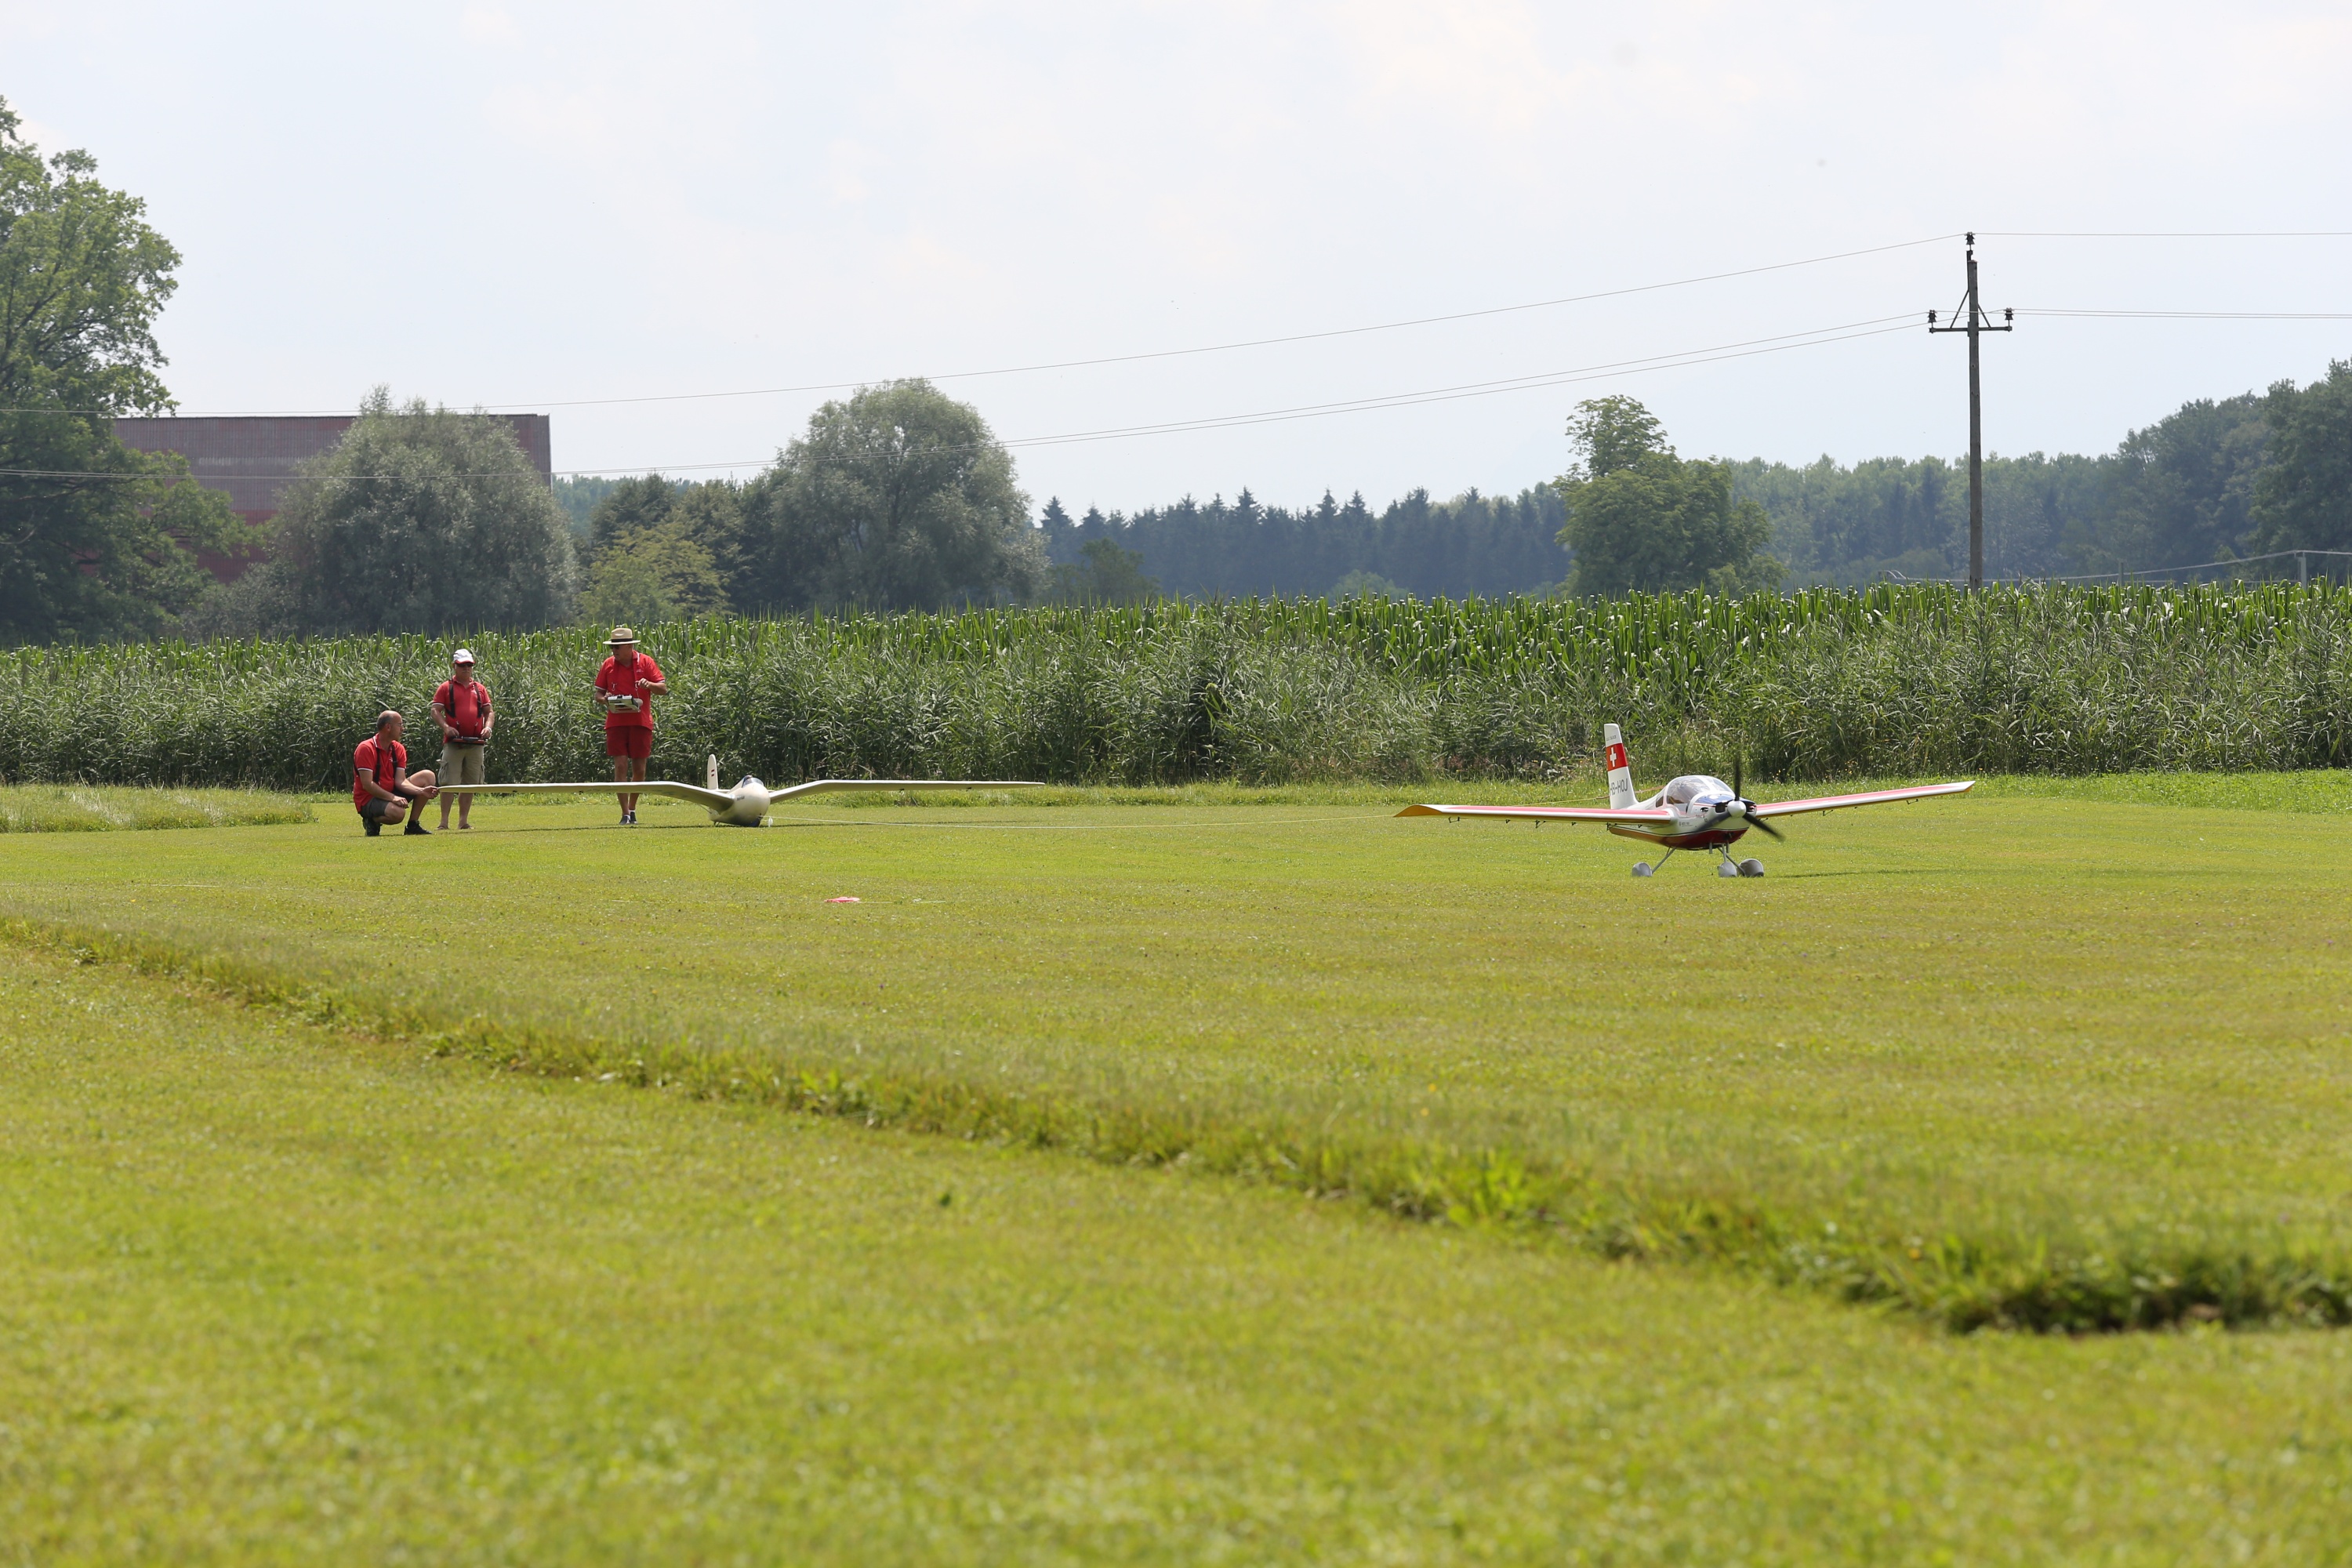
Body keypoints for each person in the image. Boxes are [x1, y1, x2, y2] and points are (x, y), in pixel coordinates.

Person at [592, 626, 666, 825]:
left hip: (640, 722)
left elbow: (663, 688)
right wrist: (604, 699)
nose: (614, 650)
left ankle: (632, 809)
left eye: (617, 647)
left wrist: (649, 685)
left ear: (629, 646)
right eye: (612, 647)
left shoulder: (646, 661)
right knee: (620, 765)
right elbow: (598, 693)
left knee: (640, 769)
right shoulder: (608, 664)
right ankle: (625, 813)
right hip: (616, 722)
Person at [431, 648, 494, 830]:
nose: (466, 668)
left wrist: (488, 728)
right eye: (462, 665)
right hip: (454, 744)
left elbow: (489, 712)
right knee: (448, 783)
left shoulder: (480, 689)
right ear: (454, 666)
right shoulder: (446, 687)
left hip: (476, 743)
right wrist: (446, 728)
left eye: (469, 665)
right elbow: (435, 710)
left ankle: (463, 822)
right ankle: (444, 822)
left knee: (470, 784)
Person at [353, 710, 438, 837]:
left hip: (390, 792)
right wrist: (393, 798)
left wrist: (421, 791)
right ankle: (372, 821)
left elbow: (400, 781)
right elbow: (367, 785)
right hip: (368, 798)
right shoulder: (366, 748)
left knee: (428, 776)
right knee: (398, 814)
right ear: (388, 727)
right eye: (400, 725)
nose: (403, 729)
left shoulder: (398, 748)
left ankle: (413, 825)